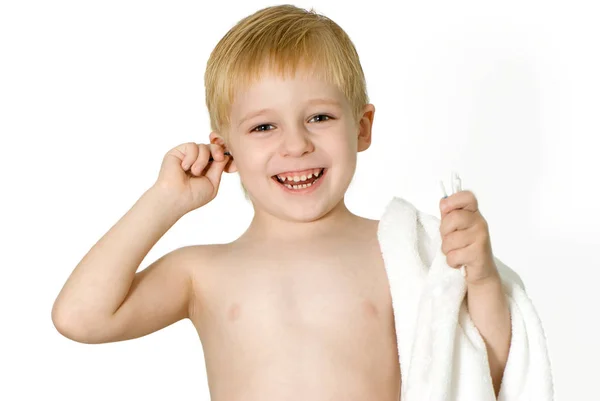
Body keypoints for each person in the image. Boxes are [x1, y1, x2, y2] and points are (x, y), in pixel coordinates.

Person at [51, 5, 530, 400]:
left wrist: (481, 276)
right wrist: (164, 202)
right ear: (225, 149)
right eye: (263, 127)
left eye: (319, 116)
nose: (296, 144)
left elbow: (480, 373)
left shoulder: (400, 252)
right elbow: (80, 317)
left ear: (361, 128)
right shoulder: (202, 273)